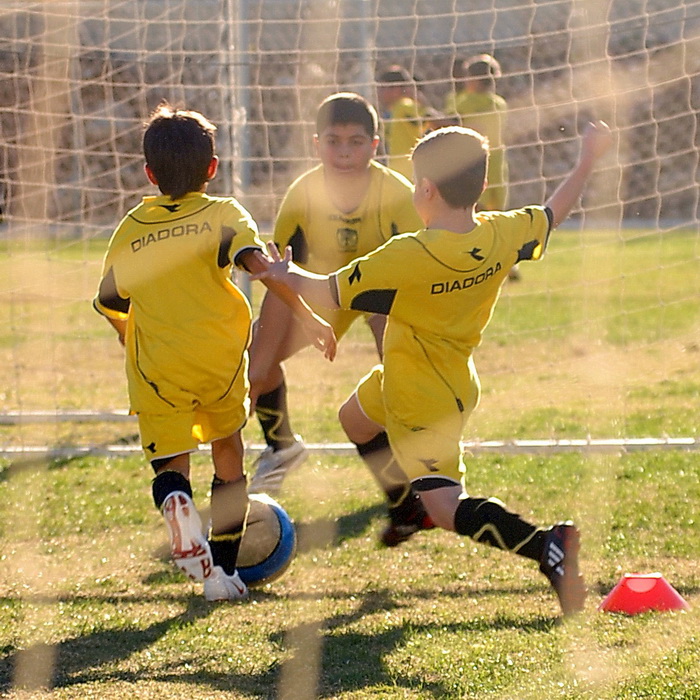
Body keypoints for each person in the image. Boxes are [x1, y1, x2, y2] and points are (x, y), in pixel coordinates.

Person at [252, 120, 613, 615]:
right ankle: (405, 510)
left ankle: (547, 546)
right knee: (354, 419)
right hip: (429, 376)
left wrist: (283, 273)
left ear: (424, 189)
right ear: (482, 187)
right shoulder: (503, 232)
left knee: (447, 509)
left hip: (422, 400)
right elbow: (552, 214)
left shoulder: (409, 255)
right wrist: (587, 160)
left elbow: (329, 289)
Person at [93, 102, 336, 602]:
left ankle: (178, 504)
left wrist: (124, 330)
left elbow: (110, 299)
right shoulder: (224, 213)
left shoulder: (133, 226)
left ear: (148, 172)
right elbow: (260, 268)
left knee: (171, 465)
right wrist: (309, 317)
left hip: (157, 363)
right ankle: (222, 574)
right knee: (228, 455)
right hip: (218, 361)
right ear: (212, 168)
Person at [377, 66, 429, 180]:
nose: (378, 92)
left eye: (382, 88)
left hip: (409, 172)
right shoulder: (392, 111)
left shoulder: (404, 106)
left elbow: (427, 121)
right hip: (397, 172)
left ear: (395, 89)